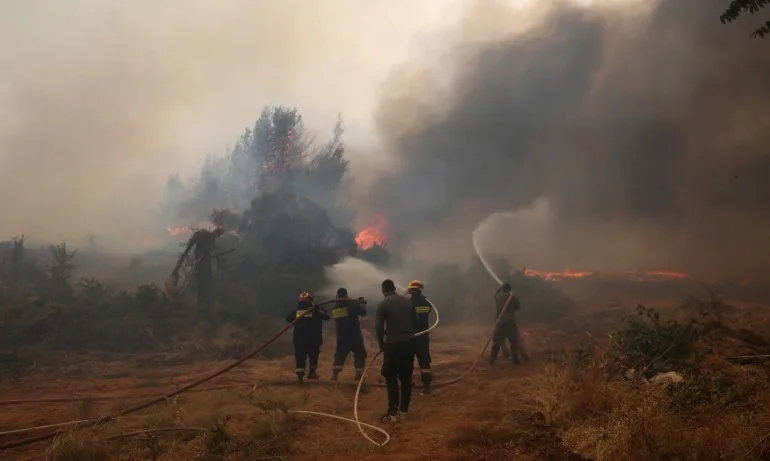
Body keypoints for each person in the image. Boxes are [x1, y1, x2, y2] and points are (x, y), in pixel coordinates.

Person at [376, 279, 417, 422]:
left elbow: (379, 329)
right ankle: (404, 411)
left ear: (383, 291)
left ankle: (393, 413)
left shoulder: (383, 304)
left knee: (391, 376)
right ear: (394, 288)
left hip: (393, 345)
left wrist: (381, 344)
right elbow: (415, 322)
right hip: (409, 343)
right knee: (406, 377)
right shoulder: (408, 302)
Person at [171, 227, 226, 306]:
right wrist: (199, 262)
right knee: (203, 284)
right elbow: (204, 252)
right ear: (217, 232)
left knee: (202, 284)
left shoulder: (201, 235)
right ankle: (202, 304)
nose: (218, 236)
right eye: (219, 234)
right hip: (203, 264)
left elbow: (192, 250)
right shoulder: (210, 238)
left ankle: (202, 303)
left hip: (201, 262)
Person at [286, 292, 330, 385]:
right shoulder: (315, 311)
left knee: (300, 358)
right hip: (313, 340)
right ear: (310, 301)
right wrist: (321, 308)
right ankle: (312, 373)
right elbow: (327, 317)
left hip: (299, 340)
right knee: (313, 357)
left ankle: (300, 377)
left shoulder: (296, 311)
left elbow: (288, 319)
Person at [330, 288, 368, 381]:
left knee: (340, 353)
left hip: (341, 335)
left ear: (337, 296)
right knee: (360, 353)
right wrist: (359, 304)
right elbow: (363, 312)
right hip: (354, 335)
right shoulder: (352, 305)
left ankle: (335, 374)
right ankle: (358, 374)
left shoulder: (335, 307)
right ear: (346, 295)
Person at [406, 280, 434, 395]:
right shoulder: (427, 303)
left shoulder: (408, 303)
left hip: (410, 336)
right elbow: (427, 312)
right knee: (424, 361)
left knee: (408, 360)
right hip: (423, 336)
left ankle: (408, 384)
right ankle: (426, 386)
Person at [490, 283, 521, 365]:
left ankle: (492, 360)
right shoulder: (514, 298)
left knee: (497, 342)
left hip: (500, 322)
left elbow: (495, 295)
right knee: (513, 341)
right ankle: (515, 360)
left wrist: (499, 288)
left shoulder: (499, 298)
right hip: (510, 322)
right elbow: (517, 308)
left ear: (503, 290)